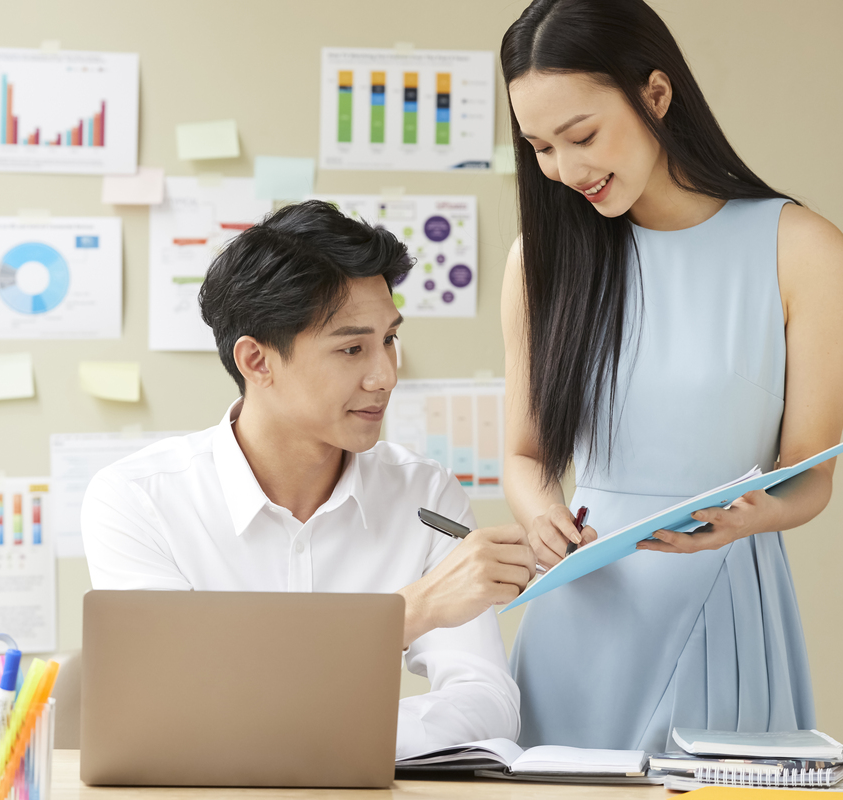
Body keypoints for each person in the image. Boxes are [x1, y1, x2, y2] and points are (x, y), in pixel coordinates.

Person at [498, 0, 843, 752]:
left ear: (656, 94)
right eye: (541, 148)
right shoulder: (541, 261)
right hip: (581, 608)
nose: (566, 171)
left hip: (721, 593)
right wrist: (541, 518)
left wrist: (755, 517)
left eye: (582, 136)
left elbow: (810, 473)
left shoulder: (801, 248)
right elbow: (525, 455)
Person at [81, 200, 536, 758]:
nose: (385, 376)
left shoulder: (425, 495)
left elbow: (486, 703)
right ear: (257, 362)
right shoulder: (138, 501)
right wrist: (404, 614)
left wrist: (308, 736)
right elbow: (177, 712)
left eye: (389, 340)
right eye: (352, 348)